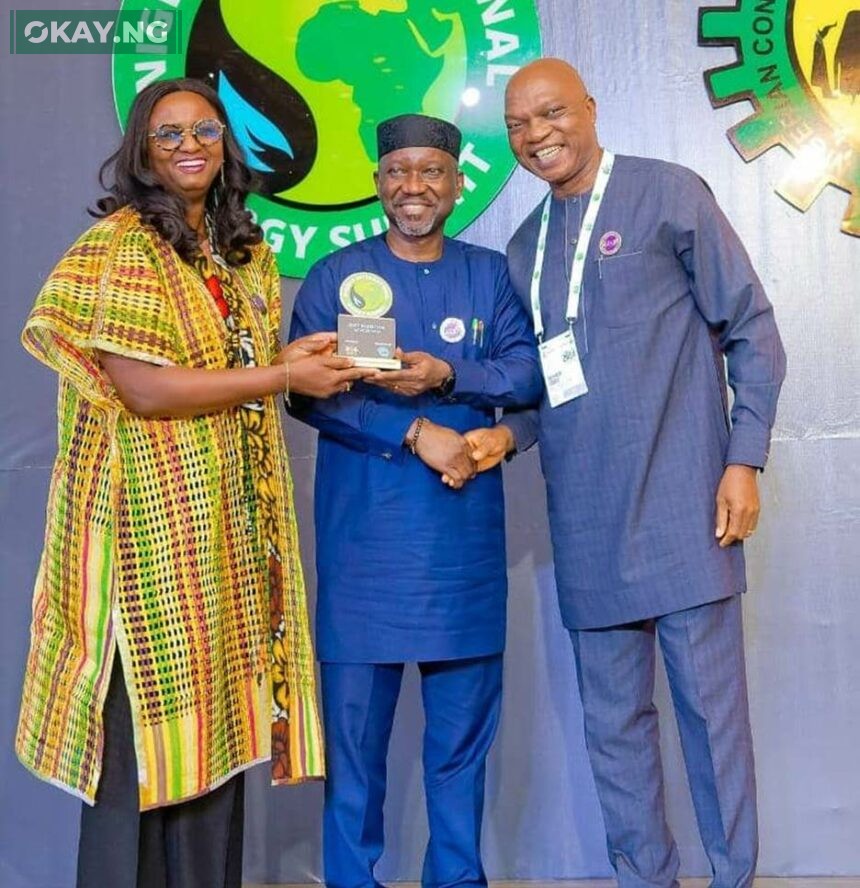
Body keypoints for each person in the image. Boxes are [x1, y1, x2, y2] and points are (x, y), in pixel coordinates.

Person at [16, 77, 369, 888]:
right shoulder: (119, 245)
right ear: (141, 148)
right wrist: (280, 376)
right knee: (135, 755)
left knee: (210, 746)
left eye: (203, 131)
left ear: (225, 141)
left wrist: (296, 364)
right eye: (167, 134)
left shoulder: (242, 254)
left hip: (221, 543)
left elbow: (239, 370)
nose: (187, 147)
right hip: (139, 547)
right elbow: (142, 386)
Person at [464, 59, 787, 887]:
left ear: (590, 110)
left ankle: (733, 877)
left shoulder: (668, 193)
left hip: (686, 512)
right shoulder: (524, 249)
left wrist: (743, 460)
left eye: (551, 114)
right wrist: (505, 439)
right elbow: (544, 387)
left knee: (713, 725)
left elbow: (753, 329)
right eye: (520, 125)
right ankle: (642, 878)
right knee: (614, 730)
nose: (538, 135)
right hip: (587, 527)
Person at [288, 113, 541, 888]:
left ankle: (456, 880)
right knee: (355, 759)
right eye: (399, 170)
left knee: (459, 752)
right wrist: (414, 433)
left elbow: (526, 374)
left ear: (457, 184)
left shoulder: (489, 274)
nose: (414, 187)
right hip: (364, 552)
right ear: (377, 183)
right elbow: (310, 396)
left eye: (431, 171)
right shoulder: (339, 276)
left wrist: (447, 378)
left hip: (461, 553)